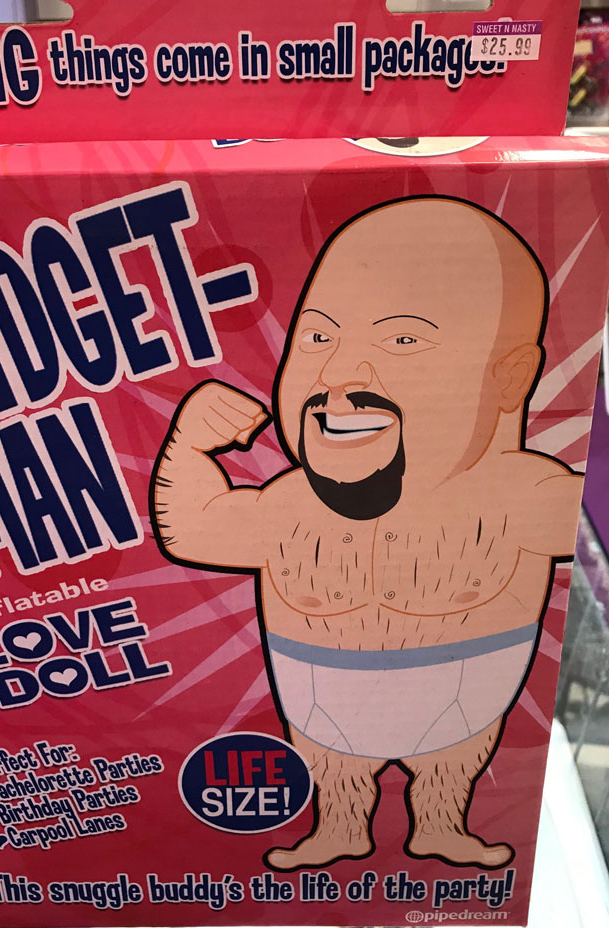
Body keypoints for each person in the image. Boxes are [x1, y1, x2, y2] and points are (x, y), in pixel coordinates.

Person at [152, 197, 582, 870]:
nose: (338, 376)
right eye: (317, 339)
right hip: (323, 721)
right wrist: (188, 449)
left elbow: (579, 527)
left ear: (509, 378)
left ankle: (440, 823)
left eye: (403, 341)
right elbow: (194, 530)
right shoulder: (290, 503)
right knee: (332, 771)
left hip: (466, 716)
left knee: (451, 767)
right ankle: (339, 827)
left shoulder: (520, 491)